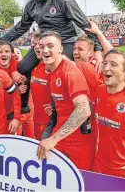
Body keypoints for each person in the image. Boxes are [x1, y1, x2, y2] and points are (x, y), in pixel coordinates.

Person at [1, 0, 103, 71]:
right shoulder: (30, 5)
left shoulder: (63, 0)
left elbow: (85, 25)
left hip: (66, 42)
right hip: (45, 43)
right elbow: (21, 27)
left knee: (59, 69)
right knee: (22, 69)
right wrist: (0, 42)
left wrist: (98, 50)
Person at [37, 31, 95, 171]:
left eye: (50, 46)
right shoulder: (53, 71)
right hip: (62, 140)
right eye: (42, 46)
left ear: (60, 49)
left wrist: (54, 138)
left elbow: (83, 109)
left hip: (77, 145)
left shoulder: (69, 71)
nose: (45, 50)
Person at [93, 49, 125, 179]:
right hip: (99, 167)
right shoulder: (99, 90)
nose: (106, 68)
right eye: (105, 63)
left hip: (124, 174)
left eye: (114, 64)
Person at [30, 33, 56, 140]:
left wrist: (55, 108)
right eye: (34, 44)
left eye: (39, 45)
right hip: (36, 121)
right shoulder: (33, 67)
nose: (36, 47)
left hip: (50, 124)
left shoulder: (54, 68)